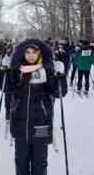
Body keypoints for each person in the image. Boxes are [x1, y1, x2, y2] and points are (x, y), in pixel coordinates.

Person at [10, 38, 67, 175]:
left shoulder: (47, 71)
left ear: (40, 54)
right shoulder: (18, 71)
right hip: (20, 123)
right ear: (23, 54)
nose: (30, 55)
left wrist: (60, 75)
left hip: (41, 124)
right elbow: (5, 89)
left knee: (40, 162)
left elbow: (59, 93)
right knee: (21, 161)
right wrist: (4, 71)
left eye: (34, 52)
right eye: (27, 52)